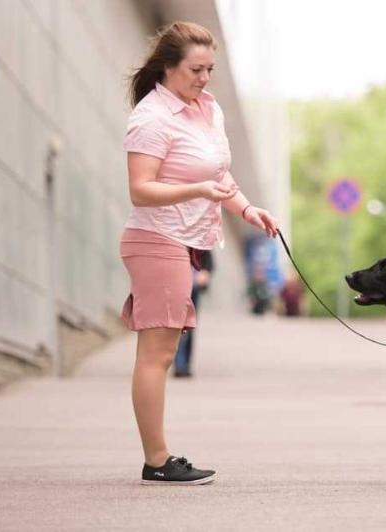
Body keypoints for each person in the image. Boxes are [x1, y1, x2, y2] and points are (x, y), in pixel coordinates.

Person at [120, 22, 278, 485]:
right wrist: (198, 188)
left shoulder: (207, 109)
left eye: (210, 68)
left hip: (184, 240)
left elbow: (220, 179)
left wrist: (247, 209)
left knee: (164, 352)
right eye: (196, 69)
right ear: (168, 67)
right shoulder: (151, 118)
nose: (204, 78)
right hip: (156, 240)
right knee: (156, 354)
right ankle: (157, 460)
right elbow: (140, 190)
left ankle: (158, 457)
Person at [173, 250, 213, 378]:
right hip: (173, 281)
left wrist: (206, 271)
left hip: (192, 283)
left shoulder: (197, 232)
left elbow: (206, 251)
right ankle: (180, 363)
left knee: (188, 325)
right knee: (177, 324)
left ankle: (183, 363)